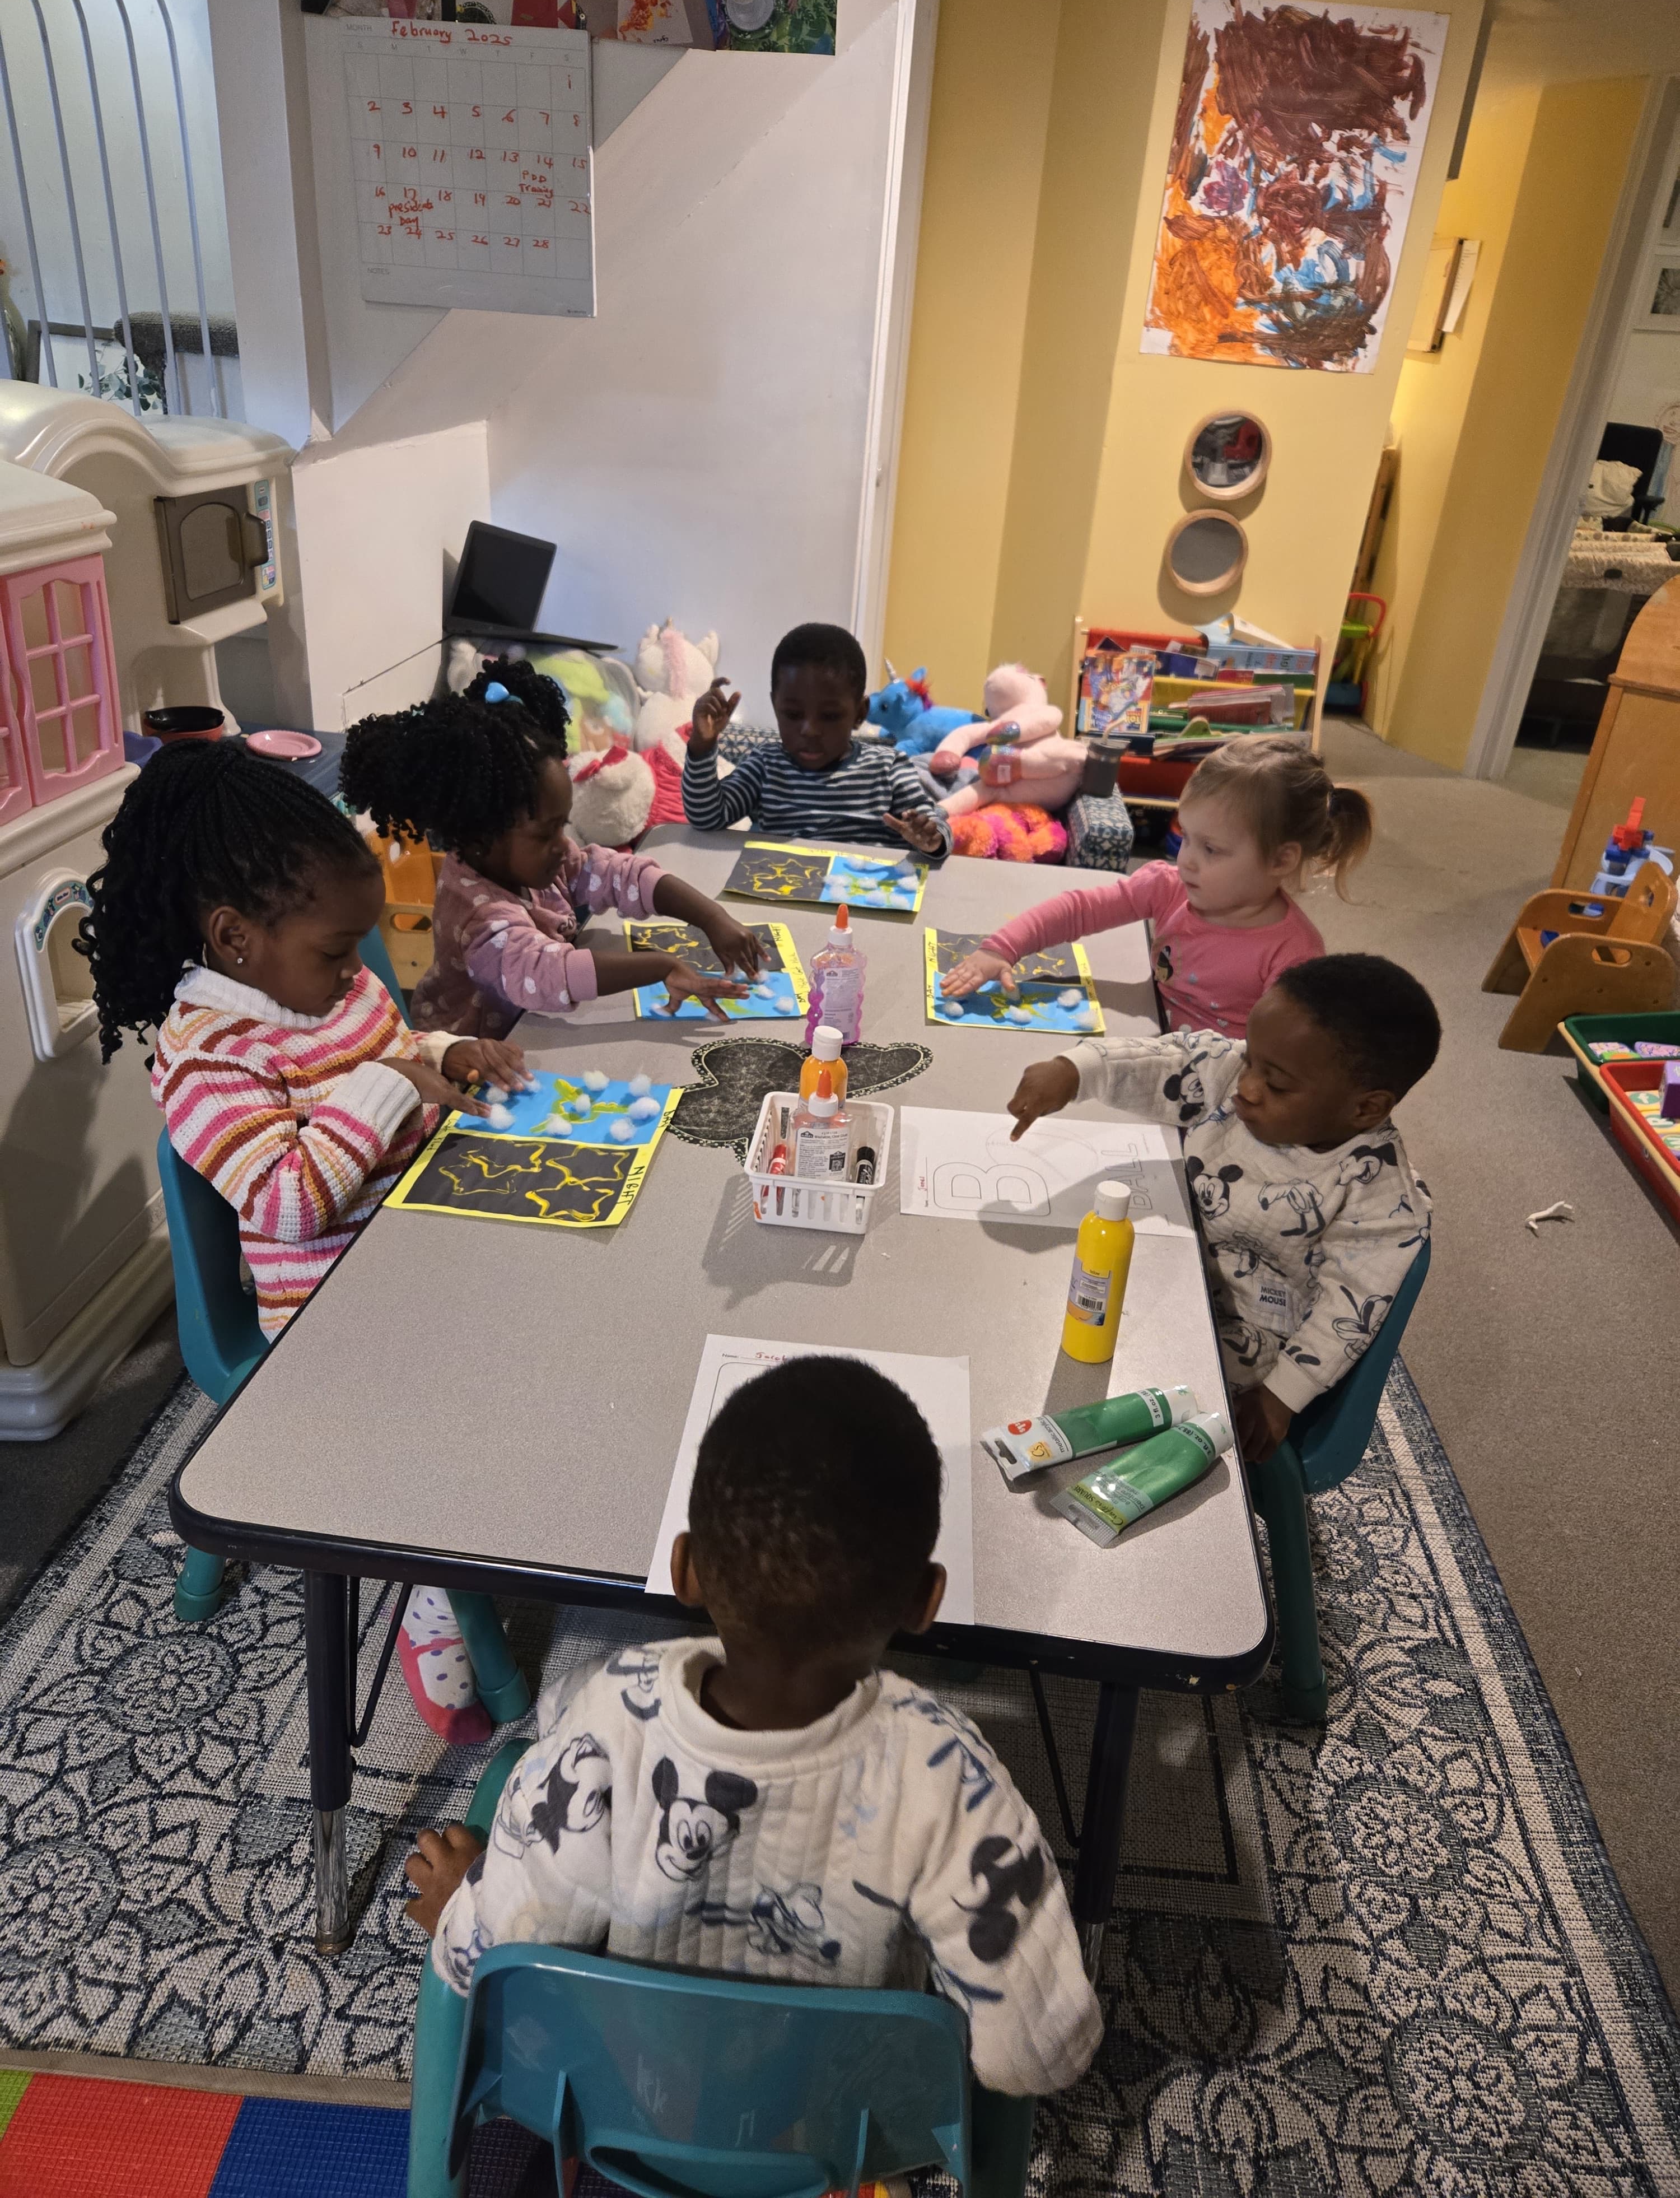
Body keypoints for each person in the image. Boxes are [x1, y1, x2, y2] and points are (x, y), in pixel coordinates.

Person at [405, 1356, 1102, 2101]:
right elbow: (1037, 2057)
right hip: (845, 2128)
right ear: (925, 1601)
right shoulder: (951, 1778)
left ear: (687, 1570)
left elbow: (488, 1953)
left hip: (627, 2100)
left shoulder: (607, 1721)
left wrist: (460, 1907)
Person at [78, 739, 517, 1740]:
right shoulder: (206, 1056)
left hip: (414, 1247)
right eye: (336, 951)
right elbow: (286, 1203)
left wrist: (448, 1051)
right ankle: (432, 1585)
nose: (357, 970)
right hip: (329, 1326)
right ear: (235, 939)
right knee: (471, 1406)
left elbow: (396, 1049)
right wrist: (394, 1085)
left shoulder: (331, 985)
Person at [1006, 954, 1437, 1465]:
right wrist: (1077, 1071)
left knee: (1137, 1399)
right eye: (1251, 1058)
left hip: (1247, 1332)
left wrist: (1282, 1397)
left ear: (1365, 1108)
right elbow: (1173, 1060)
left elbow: (1350, 1310)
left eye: (1275, 1085)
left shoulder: (1382, 1202)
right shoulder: (1243, 1072)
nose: (1246, 1086)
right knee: (1042, 1295)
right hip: (1173, 1261)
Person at [340, 660, 767, 1039]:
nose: (563, 846)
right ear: (480, 837)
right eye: (545, 834)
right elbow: (549, 972)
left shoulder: (533, 862)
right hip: (476, 1065)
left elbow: (620, 873)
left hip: (535, 1037)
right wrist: (662, 967)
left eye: (561, 826)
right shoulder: (479, 917)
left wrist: (712, 917)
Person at [942, 734, 1373, 1037]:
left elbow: (1283, 1057)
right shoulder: (1170, 887)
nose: (1186, 858)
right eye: (1186, 836)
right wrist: (1001, 948)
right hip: (1147, 1033)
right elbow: (1078, 910)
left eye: (1212, 849)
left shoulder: (1295, 954)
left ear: (1282, 859)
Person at [680, 622, 952, 858]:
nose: (809, 730)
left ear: (860, 714)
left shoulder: (889, 769)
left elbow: (935, 824)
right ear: (776, 707)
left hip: (860, 907)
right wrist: (702, 746)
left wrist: (930, 838)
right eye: (793, 714)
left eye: (830, 716)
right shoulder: (765, 765)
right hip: (777, 902)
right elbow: (707, 817)